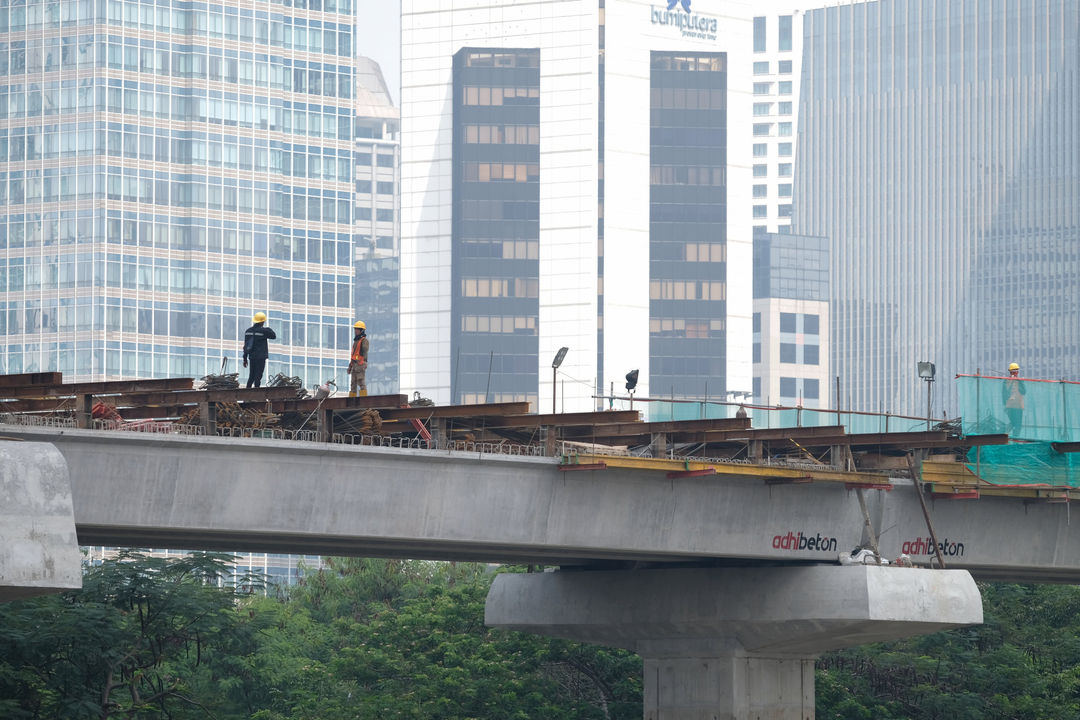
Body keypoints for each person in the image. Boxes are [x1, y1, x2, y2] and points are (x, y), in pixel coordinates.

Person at [242, 312, 276, 388]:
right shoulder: (264, 331)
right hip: (260, 357)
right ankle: (256, 393)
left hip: (252, 357)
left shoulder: (248, 331)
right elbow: (273, 336)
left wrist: (245, 359)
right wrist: (268, 329)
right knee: (258, 376)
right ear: (262, 321)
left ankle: (247, 393)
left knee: (251, 376)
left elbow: (246, 346)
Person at [1002, 362, 1026, 435]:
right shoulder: (1006, 381)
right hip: (1010, 406)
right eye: (1014, 371)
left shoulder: (1019, 381)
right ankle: (1006, 435)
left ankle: (1014, 436)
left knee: (1017, 424)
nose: (1016, 372)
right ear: (1011, 372)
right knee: (1014, 423)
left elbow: (1024, 391)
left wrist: (1019, 381)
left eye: (1016, 371)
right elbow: (1004, 393)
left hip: (1018, 406)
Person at [348, 320, 369, 397]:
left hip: (360, 364)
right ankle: (351, 400)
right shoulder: (356, 342)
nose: (355, 331)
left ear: (361, 330)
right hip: (354, 365)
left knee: (361, 382)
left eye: (357, 329)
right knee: (353, 383)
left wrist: (364, 362)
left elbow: (365, 351)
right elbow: (353, 356)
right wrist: (350, 366)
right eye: (355, 329)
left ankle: (364, 400)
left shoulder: (364, 340)